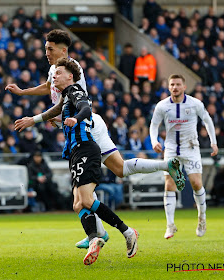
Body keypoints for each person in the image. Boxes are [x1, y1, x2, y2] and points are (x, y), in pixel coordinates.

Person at [5, 29, 185, 249]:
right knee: (115, 172)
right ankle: (165, 166)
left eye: (50, 49)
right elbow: (49, 89)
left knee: (84, 194)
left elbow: (70, 103)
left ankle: (104, 232)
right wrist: (24, 92)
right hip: (84, 127)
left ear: (64, 50)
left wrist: (38, 119)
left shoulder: (72, 69)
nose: (46, 53)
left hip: (86, 129)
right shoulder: (55, 71)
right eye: (45, 49)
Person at [15, 58, 139, 265]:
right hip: (74, 152)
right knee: (77, 203)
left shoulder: (76, 91)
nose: (54, 75)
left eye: (58, 72)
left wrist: (76, 119)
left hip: (86, 149)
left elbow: (85, 108)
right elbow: (54, 111)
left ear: (70, 76)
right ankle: (94, 239)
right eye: (53, 73)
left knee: (87, 200)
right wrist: (33, 120)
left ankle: (127, 232)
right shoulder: (65, 97)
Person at [150, 74, 218, 239]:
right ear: (168, 87)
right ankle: (170, 225)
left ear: (184, 87)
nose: (175, 87)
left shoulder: (195, 103)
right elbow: (154, 125)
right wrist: (154, 141)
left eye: (178, 84)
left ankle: (202, 218)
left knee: (196, 183)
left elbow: (207, 120)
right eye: (172, 84)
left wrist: (213, 142)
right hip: (171, 149)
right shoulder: (162, 106)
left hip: (191, 147)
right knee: (169, 184)